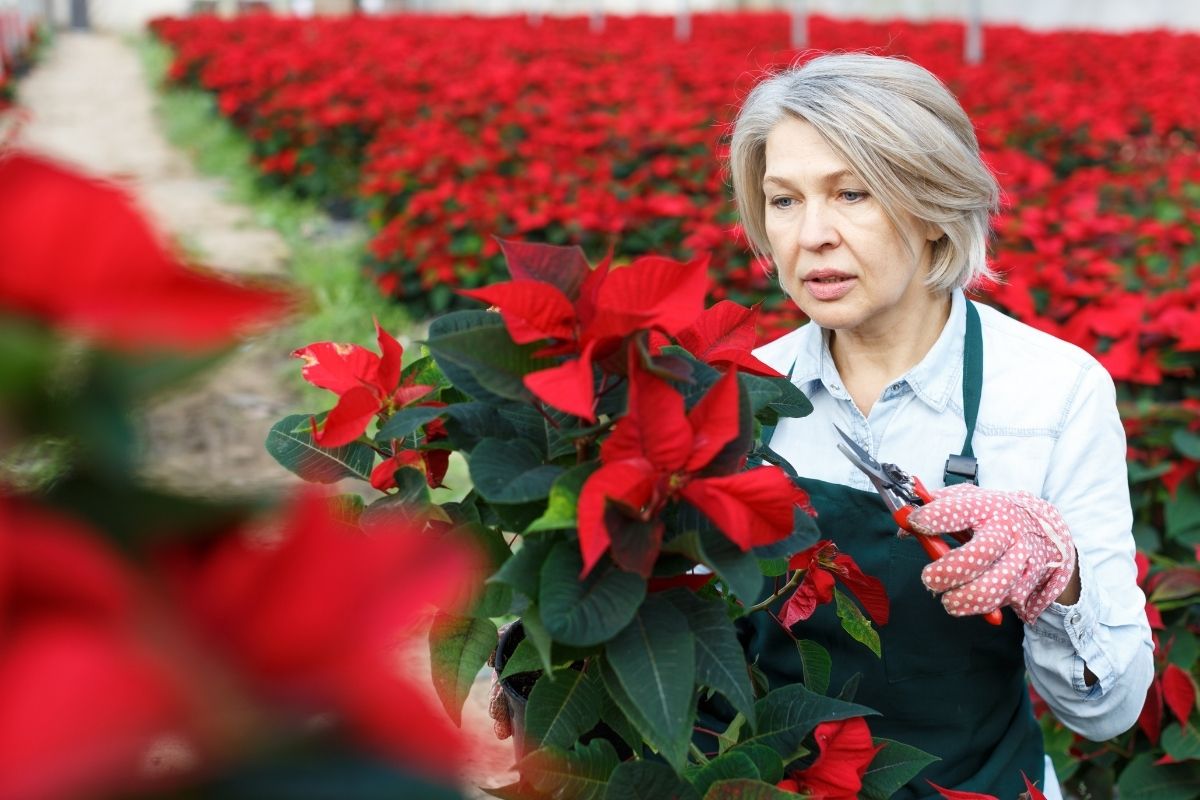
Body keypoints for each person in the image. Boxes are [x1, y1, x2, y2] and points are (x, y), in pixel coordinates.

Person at [732, 53, 1154, 798]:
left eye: (852, 193)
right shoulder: (736, 392)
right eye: (784, 200)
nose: (812, 235)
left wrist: (1060, 578)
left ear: (932, 207)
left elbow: (1108, 712)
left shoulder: (1051, 395)